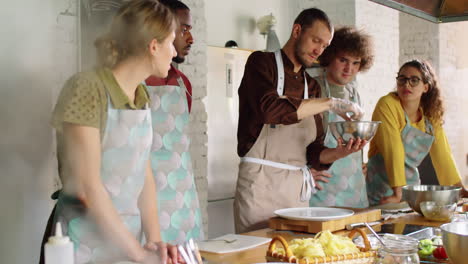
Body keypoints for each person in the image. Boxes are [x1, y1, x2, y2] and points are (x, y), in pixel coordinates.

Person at [40, 1, 179, 263]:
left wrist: (154, 242)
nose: (174, 53)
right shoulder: (86, 89)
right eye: (171, 43)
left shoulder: (141, 94)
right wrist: (137, 254)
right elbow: (87, 185)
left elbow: (143, 173)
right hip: (81, 243)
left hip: (124, 242)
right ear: (153, 45)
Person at [234, 8, 368, 234]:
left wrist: (339, 152)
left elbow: (313, 152)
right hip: (259, 188)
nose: (318, 50)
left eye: (324, 46)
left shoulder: (311, 86)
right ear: (297, 30)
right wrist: (331, 103)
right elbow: (270, 109)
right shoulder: (261, 63)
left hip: (296, 194)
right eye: (316, 40)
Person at [144, 0, 203, 244]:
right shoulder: (132, 83)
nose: (190, 39)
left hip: (182, 199)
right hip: (145, 198)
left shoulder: (183, 83)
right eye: (183, 29)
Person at [366, 59, 465, 205]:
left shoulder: (430, 115)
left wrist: (460, 191)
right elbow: (393, 148)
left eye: (414, 80)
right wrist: (398, 192)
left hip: (411, 191)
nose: (407, 84)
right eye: (402, 79)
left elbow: (443, 156)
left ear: (426, 87)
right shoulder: (387, 104)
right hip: (381, 192)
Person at [309, 26, 374, 208]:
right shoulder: (314, 89)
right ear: (329, 56)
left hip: (354, 186)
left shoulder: (353, 93)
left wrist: (361, 163)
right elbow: (297, 139)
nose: (349, 69)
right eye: (343, 60)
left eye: (356, 63)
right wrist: (304, 172)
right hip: (324, 187)